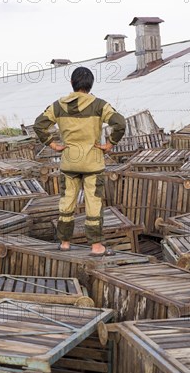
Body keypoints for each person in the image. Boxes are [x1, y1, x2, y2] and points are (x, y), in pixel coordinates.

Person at [33, 67, 126, 256]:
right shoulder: (100, 105)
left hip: (69, 161)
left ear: (72, 84)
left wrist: (53, 145)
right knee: (93, 203)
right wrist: (110, 144)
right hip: (92, 162)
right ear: (90, 85)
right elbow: (120, 123)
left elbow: (39, 124)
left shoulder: (58, 105)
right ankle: (96, 246)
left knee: (67, 202)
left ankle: (65, 243)